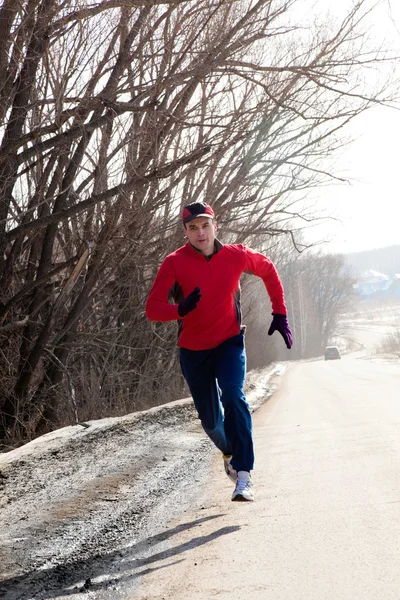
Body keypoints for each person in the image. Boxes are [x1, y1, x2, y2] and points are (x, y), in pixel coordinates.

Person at [146, 202, 292, 502]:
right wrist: (179, 309)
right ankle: (228, 451)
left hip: (229, 342)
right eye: (193, 228)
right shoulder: (175, 262)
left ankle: (244, 474)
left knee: (234, 395)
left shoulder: (235, 255)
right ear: (185, 232)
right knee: (211, 422)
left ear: (216, 226)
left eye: (205, 225)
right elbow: (152, 308)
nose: (200, 233)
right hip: (193, 350)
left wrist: (280, 313)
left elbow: (268, 269)